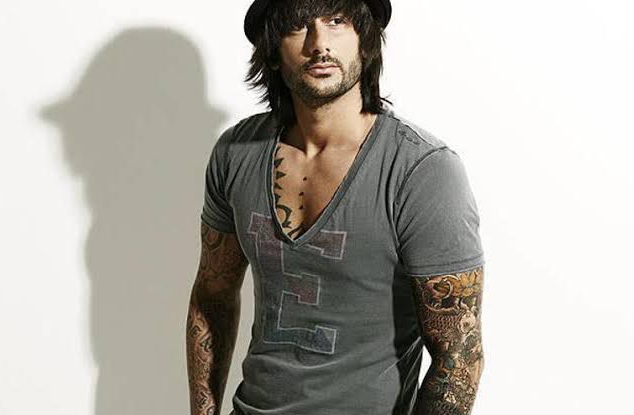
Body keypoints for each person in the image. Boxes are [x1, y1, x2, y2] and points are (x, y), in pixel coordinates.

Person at [186, 1, 486, 414]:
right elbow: (212, 295)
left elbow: (459, 357)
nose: (319, 44)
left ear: (365, 41)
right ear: (272, 50)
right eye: (298, 26)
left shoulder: (422, 170)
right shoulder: (236, 153)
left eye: (337, 21)